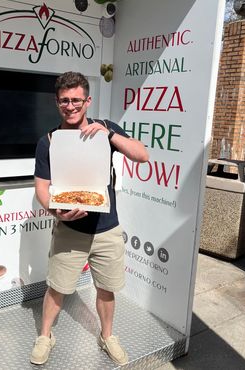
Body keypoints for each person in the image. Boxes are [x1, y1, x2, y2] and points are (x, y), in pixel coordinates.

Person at [31, 71, 149, 366]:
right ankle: (45, 335)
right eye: (64, 101)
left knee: (106, 288)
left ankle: (107, 336)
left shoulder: (106, 129)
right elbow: (42, 188)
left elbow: (142, 155)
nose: (70, 106)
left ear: (88, 100)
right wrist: (54, 210)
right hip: (69, 228)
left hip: (107, 228)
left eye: (76, 100)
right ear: (57, 102)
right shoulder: (48, 141)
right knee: (57, 287)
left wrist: (109, 134)